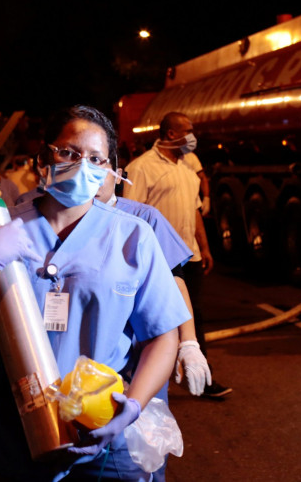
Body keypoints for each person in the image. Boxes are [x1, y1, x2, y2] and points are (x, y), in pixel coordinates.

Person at [0, 105, 189, 481]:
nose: (82, 165)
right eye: (68, 152)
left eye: (96, 159)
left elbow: (162, 336)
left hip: (101, 434)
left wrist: (133, 406)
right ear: (43, 159)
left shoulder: (133, 236)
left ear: (109, 169)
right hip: (9, 436)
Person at [95, 152, 210, 482]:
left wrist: (189, 343)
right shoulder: (45, 219)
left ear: (118, 173)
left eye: (98, 161)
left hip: (136, 368)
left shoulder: (142, 220)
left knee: (137, 461)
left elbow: (173, 281)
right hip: (77, 380)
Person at [123, 111, 232, 400]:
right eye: (188, 130)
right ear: (171, 134)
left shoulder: (188, 166)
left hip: (188, 255)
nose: (193, 136)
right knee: (154, 321)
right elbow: (129, 213)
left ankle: (201, 376)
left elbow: (194, 211)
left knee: (193, 316)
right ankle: (147, 382)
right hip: (158, 260)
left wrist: (203, 247)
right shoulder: (141, 168)